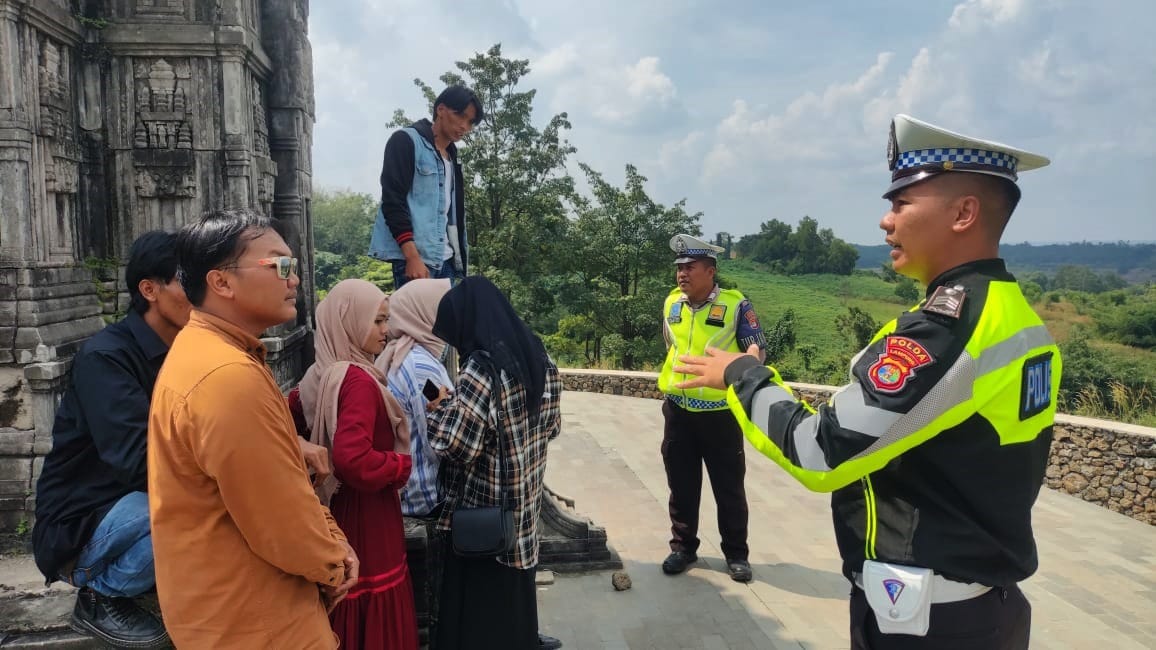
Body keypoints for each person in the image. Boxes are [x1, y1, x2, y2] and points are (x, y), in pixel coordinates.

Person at [674, 114, 1060, 649]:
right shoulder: (1015, 315)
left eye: (901, 204)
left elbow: (823, 452)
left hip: (928, 620)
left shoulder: (946, 330)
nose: (886, 221)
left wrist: (739, 372)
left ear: (964, 213)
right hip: (978, 605)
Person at [148, 209, 358, 648]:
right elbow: (280, 518)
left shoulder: (211, 353)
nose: (294, 280)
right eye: (280, 265)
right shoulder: (226, 375)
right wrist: (334, 560)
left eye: (293, 267)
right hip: (258, 621)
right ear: (221, 282)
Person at [31, 231, 187, 648]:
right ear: (149, 289)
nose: (203, 290)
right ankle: (103, 592)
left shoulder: (188, 351)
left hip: (137, 503)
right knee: (205, 506)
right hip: (85, 521)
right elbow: (140, 460)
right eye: (187, 279)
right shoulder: (106, 356)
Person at [427, 277, 562, 650]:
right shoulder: (539, 356)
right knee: (515, 611)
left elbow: (455, 444)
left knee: (482, 621)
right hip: (523, 514)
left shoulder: (482, 370)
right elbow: (552, 426)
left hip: (487, 520)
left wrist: (437, 411)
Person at [288, 278, 418, 649]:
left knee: (343, 598)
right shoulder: (357, 380)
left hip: (333, 508)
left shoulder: (319, 374)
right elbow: (353, 460)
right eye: (376, 321)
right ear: (350, 322)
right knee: (371, 597)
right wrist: (400, 466)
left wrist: (300, 443)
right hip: (368, 514)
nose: (386, 331)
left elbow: (279, 418)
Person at [656, 234, 766, 583]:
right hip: (678, 412)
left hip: (720, 413)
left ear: (710, 271)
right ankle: (683, 548)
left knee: (728, 486)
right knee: (682, 485)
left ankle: (736, 554)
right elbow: (669, 343)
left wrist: (747, 367)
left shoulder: (736, 306)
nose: (682, 275)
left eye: (690, 268)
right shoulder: (672, 304)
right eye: (679, 268)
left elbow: (756, 350)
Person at [370, 86, 484, 288]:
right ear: (441, 109)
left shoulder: (451, 157)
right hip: (416, 260)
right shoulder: (406, 141)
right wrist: (412, 257)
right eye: (460, 116)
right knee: (415, 320)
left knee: (447, 321)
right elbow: (393, 201)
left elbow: (449, 214)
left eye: (470, 122)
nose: (464, 126)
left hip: (446, 261)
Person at [374, 278, 455, 518]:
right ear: (422, 313)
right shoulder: (420, 366)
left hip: (407, 490)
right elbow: (437, 439)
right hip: (424, 496)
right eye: (442, 311)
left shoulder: (400, 353)